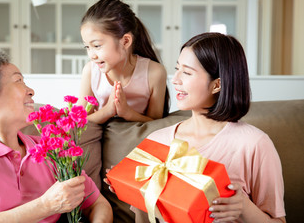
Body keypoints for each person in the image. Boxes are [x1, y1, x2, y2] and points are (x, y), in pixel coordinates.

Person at [106, 32, 286, 223]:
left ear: (217, 85)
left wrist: (244, 207)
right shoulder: (157, 141)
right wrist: (131, 189)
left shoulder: (254, 144)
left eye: (187, 72)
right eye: (177, 69)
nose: (175, 80)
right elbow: (144, 218)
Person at [0, 49, 113, 223]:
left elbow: (97, 204)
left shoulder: (49, 150)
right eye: (18, 81)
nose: (31, 91)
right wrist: (46, 205)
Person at [78, 0, 170, 124]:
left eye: (97, 46)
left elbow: (155, 122)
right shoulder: (90, 71)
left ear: (125, 41)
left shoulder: (155, 72)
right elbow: (78, 122)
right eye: (87, 47)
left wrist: (128, 113)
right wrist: (107, 111)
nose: (91, 55)